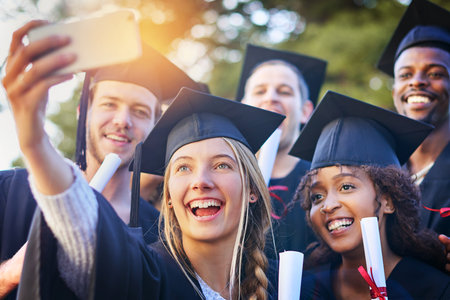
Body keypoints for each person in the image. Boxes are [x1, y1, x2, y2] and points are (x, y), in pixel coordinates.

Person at [13, 86, 287, 299]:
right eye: (183, 168)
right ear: (168, 195)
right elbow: (84, 229)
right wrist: (36, 144)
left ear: (252, 188)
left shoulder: (284, 284)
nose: (201, 181)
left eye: (221, 165)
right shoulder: (141, 276)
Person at [0, 19, 202, 299]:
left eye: (141, 111)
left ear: (155, 127)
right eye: (109, 104)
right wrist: (8, 272)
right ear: (83, 110)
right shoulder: (9, 191)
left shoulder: (165, 234)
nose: (122, 121)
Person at [291, 91, 449, 299]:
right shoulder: (303, 288)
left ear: (388, 200)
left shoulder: (433, 290)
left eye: (346, 187)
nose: (327, 205)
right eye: (316, 197)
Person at [237, 44, 327, 257]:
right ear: (243, 106)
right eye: (260, 91)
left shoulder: (321, 183)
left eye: (284, 91)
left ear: (306, 111)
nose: (271, 98)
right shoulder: (223, 179)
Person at [377, 0, 450, 237]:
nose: (416, 81)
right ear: (395, 91)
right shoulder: (380, 168)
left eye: (436, 73)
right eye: (405, 74)